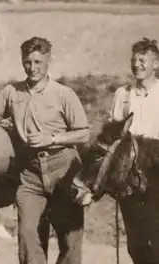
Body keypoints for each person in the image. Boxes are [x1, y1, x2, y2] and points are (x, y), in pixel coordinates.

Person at [0, 36, 89, 264]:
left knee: (70, 238)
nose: (33, 68)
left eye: (38, 62)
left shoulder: (64, 94)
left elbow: (83, 133)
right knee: (28, 234)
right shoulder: (12, 92)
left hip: (64, 169)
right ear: (22, 62)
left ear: (48, 61)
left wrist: (52, 138)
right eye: (28, 62)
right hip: (30, 174)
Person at [106, 37, 159, 263]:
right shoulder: (123, 94)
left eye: (143, 60)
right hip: (129, 178)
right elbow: (113, 133)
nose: (137, 64)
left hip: (157, 173)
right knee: (136, 240)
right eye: (134, 59)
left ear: (155, 64)